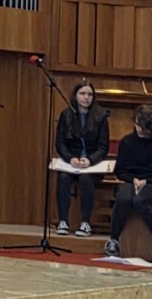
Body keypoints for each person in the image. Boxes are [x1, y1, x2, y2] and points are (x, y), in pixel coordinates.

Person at [104, 105, 152, 264]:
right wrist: (133, 179)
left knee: (141, 201)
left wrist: (148, 181)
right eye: (137, 124)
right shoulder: (127, 142)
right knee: (124, 197)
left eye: (142, 126)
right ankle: (113, 239)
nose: (138, 128)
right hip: (131, 181)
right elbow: (120, 171)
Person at [54, 81, 109, 237]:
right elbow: (60, 143)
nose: (86, 97)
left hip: (92, 164)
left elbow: (103, 147)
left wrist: (90, 160)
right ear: (75, 96)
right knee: (63, 177)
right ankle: (63, 221)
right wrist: (70, 158)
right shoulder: (66, 115)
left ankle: (85, 223)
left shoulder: (101, 116)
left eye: (90, 94)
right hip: (71, 162)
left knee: (86, 178)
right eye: (82, 94)